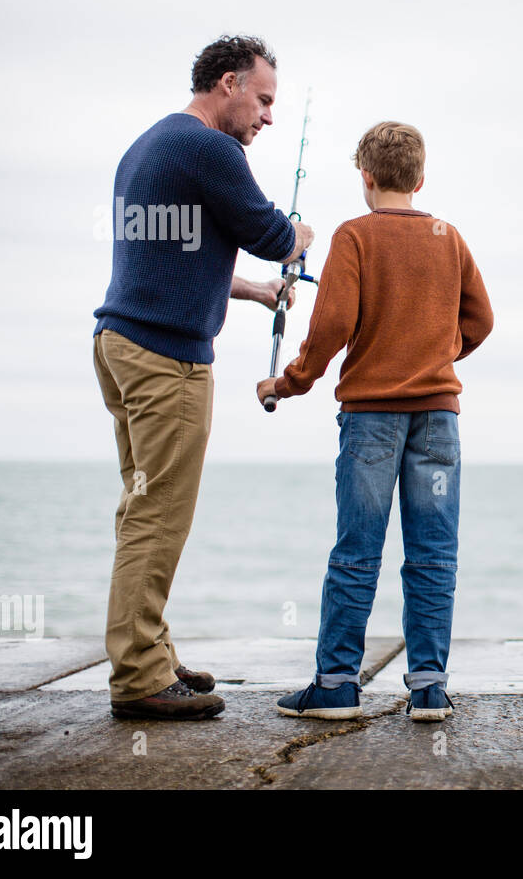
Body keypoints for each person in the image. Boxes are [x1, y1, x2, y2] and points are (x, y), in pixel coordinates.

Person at [93, 35, 314, 720]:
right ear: (228, 82)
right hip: (169, 362)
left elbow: (183, 250)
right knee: (158, 519)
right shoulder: (212, 150)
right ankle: (138, 677)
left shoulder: (154, 143)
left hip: (120, 344)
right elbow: (271, 233)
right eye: (264, 100)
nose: (268, 118)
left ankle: (150, 651)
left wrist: (253, 293)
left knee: (141, 511)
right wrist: (301, 235)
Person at [258, 121, 493, 722]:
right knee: (434, 553)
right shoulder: (449, 237)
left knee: (357, 551)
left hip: (371, 422)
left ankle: (336, 685)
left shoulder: (354, 236)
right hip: (438, 420)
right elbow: (481, 320)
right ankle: (429, 689)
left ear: (365, 177)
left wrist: (289, 383)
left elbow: (332, 327)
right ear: (420, 178)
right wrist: (434, 355)